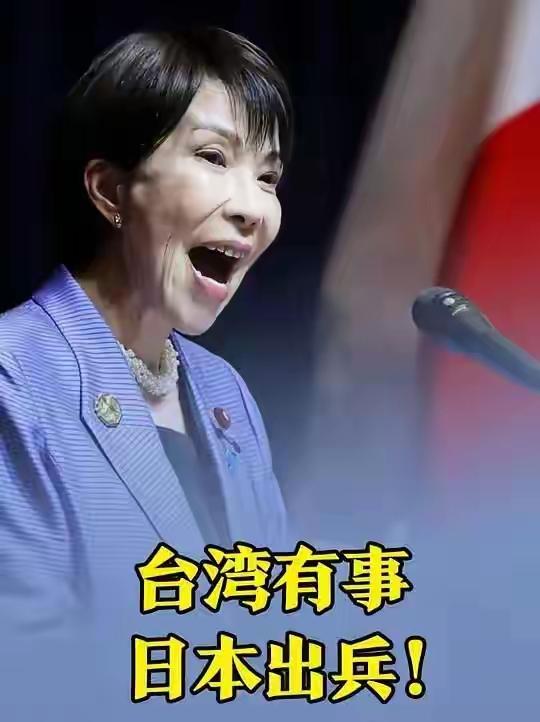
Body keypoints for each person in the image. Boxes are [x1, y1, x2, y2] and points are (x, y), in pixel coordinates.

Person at [0, 27, 293, 636]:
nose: (252, 209)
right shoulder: (15, 377)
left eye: (268, 178)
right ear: (111, 190)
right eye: (214, 158)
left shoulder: (228, 393)